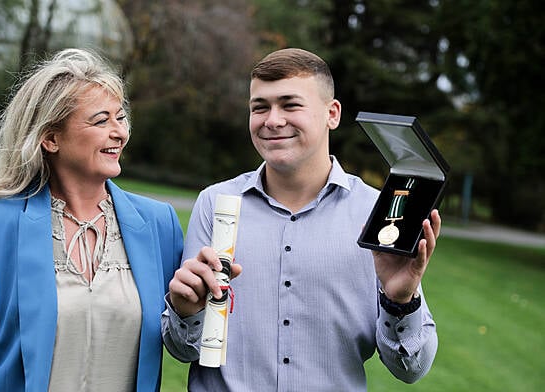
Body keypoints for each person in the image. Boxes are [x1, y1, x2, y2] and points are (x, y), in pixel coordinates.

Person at [162, 48, 440, 391]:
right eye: (259, 107)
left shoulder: (378, 214)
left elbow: (411, 368)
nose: (272, 120)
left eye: (290, 105)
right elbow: (182, 348)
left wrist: (401, 301)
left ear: (332, 114)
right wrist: (185, 311)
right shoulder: (215, 204)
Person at [0, 48, 183, 392]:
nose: (119, 132)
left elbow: (185, 340)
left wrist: (193, 308)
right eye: (101, 120)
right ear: (50, 138)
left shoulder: (158, 224)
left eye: (120, 118)